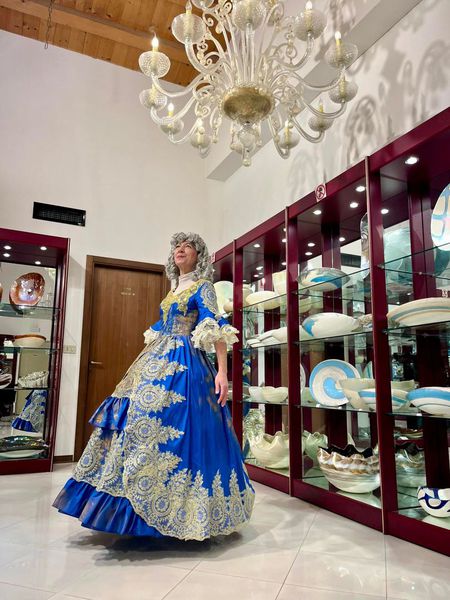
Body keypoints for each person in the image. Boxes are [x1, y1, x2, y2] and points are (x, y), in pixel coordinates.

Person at [53, 232, 255, 540]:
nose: (180, 250)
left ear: (199, 256)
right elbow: (163, 324)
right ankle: (130, 495)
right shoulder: (174, 288)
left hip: (186, 365)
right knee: (136, 415)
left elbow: (213, 326)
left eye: (188, 247)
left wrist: (222, 373)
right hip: (157, 357)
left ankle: (186, 510)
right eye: (177, 246)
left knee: (177, 426)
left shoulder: (204, 287)